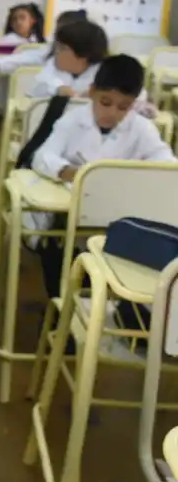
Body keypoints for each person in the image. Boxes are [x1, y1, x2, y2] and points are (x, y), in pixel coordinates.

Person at [28, 54, 177, 298]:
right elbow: (42, 156)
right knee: (62, 266)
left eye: (123, 107)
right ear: (92, 92)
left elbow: (167, 165)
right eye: (105, 102)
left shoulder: (141, 129)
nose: (112, 112)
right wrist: (68, 171)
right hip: (73, 215)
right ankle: (65, 301)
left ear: (134, 104)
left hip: (121, 219)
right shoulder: (72, 121)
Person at [30, 19, 108, 98]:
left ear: (83, 55)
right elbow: (38, 85)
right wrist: (57, 89)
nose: (56, 51)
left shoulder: (104, 76)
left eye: (62, 48)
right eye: (57, 46)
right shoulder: (53, 65)